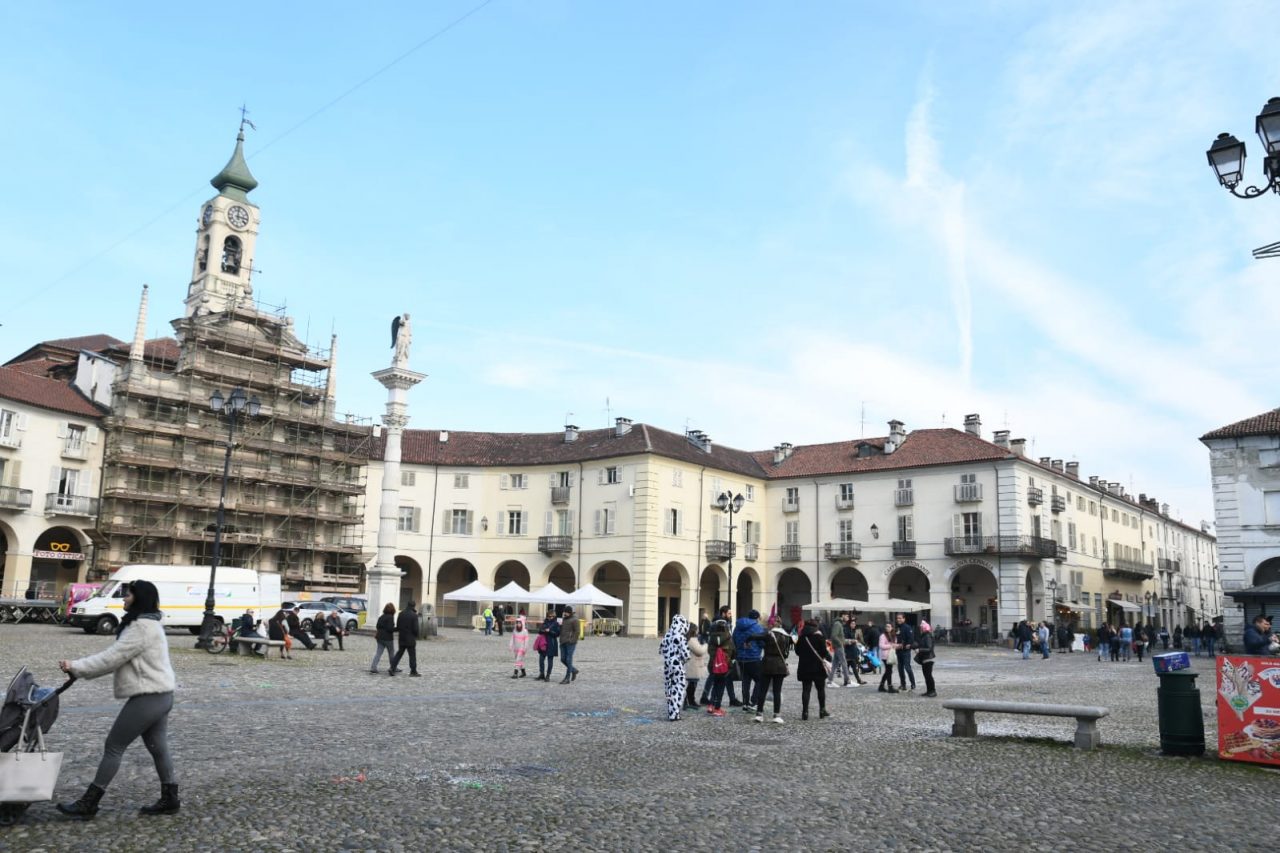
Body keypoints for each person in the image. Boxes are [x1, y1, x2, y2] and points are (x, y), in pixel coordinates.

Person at [56, 580, 179, 818]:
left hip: (150, 697)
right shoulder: (150, 624)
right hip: (162, 694)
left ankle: (89, 803)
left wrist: (76, 667)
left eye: (128, 595)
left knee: (114, 746)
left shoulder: (141, 627)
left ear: (139, 599)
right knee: (158, 748)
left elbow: (112, 658)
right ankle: (170, 799)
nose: (124, 599)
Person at [753, 616, 793, 723]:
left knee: (763, 690)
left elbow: (755, 637)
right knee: (777, 691)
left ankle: (759, 714)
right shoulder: (787, 636)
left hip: (766, 664)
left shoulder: (768, 634)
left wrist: (748, 641)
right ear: (780, 624)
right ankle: (776, 715)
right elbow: (787, 652)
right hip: (780, 665)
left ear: (771, 624)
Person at [700, 607, 741, 707]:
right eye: (729, 613)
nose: (731, 615)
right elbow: (721, 642)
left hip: (722, 657)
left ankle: (731, 699)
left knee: (725, 678)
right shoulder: (720, 625)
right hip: (720, 657)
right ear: (723, 613)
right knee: (716, 678)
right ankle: (710, 700)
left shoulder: (725, 624)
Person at [795, 618, 831, 720]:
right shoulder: (819, 637)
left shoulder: (802, 638)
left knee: (806, 690)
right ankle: (822, 710)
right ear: (815, 627)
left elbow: (797, 652)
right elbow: (824, 652)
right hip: (818, 668)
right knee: (820, 690)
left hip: (804, 667)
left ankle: (805, 712)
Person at [733, 609, 765, 712]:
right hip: (754, 658)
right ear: (756, 618)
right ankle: (754, 701)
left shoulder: (737, 627)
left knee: (745, 682)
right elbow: (762, 643)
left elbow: (734, 640)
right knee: (760, 680)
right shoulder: (758, 628)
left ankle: (745, 704)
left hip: (741, 658)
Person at [660, 615, 691, 720]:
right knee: (678, 688)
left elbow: (661, 650)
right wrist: (681, 659)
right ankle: (675, 713)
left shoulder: (667, 635)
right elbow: (687, 655)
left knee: (669, 687)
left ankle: (671, 712)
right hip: (678, 665)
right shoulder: (681, 637)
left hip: (667, 665)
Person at [704, 612, 736, 716]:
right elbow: (733, 650)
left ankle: (711, 705)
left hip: (713, 665)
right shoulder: (728, 637)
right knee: (721, 686)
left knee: (715, 685)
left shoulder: (711, 638)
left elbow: (709, 651)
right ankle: (717, 708)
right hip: (724, 666)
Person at [391, 601, 421, 676]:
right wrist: (416, 635)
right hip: (410, 638)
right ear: (414, 606)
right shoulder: (414, 615)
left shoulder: (401, 614)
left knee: (399, 654)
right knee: (412, 656)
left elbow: (398, 627)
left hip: (402, 637)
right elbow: (415, 629)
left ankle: (392, 668)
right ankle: (413, 671)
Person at [685, 622, 707, 710]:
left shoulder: (690, 639)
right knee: (692, 685)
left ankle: (690, 701)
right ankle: (689, 701)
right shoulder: (692, 640)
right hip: (693, 666)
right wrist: (706, 645)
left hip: (693, 665)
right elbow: (700, 650)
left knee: (693, 684)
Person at [827, 614, 852, 688]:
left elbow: (839, 637)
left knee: (834, 664)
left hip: (838, 646)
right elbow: (834, 636)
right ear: (843, 616)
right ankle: (847, 681)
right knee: (844, 662)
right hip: (839, 647)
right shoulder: (838, 624)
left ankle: (830, 681)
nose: (848, 618)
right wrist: (840, 643)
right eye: (847, 616)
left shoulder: (839, 624)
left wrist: (847, 641)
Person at [370, 602, 396, 674]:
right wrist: (397, 629)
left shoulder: (381, 617)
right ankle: (393, 667)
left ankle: (373, 667)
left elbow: (377, 626)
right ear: (393, 610)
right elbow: (390, 629)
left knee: (378, 653)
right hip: (388, 638)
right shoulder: (390, 617)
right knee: (391, 653)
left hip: (379, 637)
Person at [535, 609, 560, 681]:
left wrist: (550, 631)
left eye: (552, 616)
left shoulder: (556, 624)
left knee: (550, 660)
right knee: (541, 659)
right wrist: (543, 630)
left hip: (551, 643)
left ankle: (548, 675)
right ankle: (542, 673)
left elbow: (557, 634)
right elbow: (539, 631)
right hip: (543, 643)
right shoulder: (544, 622)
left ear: (554, 616)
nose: (550, 617)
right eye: (549, 616)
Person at [916, 620, 937, 698]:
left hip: (928, 658)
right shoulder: (925, 636)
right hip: (925, 658)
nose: (920, 629)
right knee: (927, 676)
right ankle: (929, 691)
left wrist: (920, 650)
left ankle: (932, 691)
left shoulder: (927, 636)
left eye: (921, 628)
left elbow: (929, 648)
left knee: (928, 676)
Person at [895, 614, 917, 691]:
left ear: (904, 619)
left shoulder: (907, 627)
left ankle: (913, 683)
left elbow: (911, 639)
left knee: (907, 667)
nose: (898, 620)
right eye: (897, 618)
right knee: (900, 668)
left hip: (905, 651)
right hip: (898, 651)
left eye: (900, 618)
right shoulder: (897, 628)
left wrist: (906, 645)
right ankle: (903, 684)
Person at [559, 606, 580, 684]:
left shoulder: (575, 620)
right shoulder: (564, 619)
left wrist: (572, 640)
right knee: (563, 659)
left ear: (570, 612)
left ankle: (567, 678)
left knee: (568, 659)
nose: (565, 613)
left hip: (570, 643)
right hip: (562, 642)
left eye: (566, 612)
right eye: (564, 612)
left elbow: (577, 632)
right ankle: (573, 670)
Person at [508, 614, 530, 679]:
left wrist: (525, 648)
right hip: (516, 648)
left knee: (518, 660)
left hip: (522, 648)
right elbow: (512, 638)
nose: (518, 624)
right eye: (517, 623)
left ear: (522, 623)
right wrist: (510, 645)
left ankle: (515, 673)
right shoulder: (515, 631)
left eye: (519, 623)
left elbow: (526, 641)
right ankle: (523, 672)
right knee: (520, 660)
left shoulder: (525, 631)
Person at [878, 624, 897, 693]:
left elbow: (895, 643)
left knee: (888, 671)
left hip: (891, 655)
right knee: (889, 671)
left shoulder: (893, 635)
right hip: (885, 656)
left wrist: (896, 646)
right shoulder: (883, 636)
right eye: (886, 626)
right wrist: (891, 646)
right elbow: (881, 645)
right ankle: (890, 687)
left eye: (889, 627)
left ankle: (881, 686)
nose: (887, 628)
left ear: (892, 627)